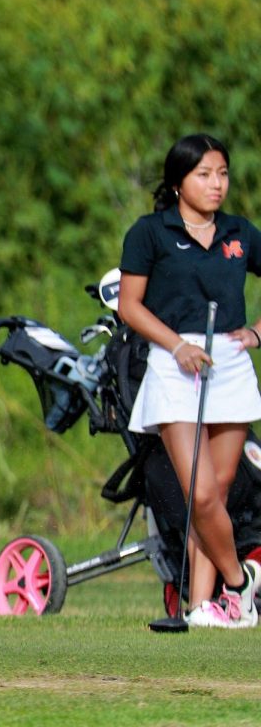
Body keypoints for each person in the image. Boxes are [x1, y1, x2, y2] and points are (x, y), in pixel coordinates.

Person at [118, 133, 261, 628]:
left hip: (230, 365)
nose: (216, 184)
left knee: (215, 498)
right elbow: (129, 306)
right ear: (178, 182)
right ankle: (241, 586)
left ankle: (203, 607)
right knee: (199, 493)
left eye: (222, 173)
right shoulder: (150, 233)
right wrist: (177, 345)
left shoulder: (240, 232)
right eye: (204, 174)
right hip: (174, 362)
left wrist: (258, 333)